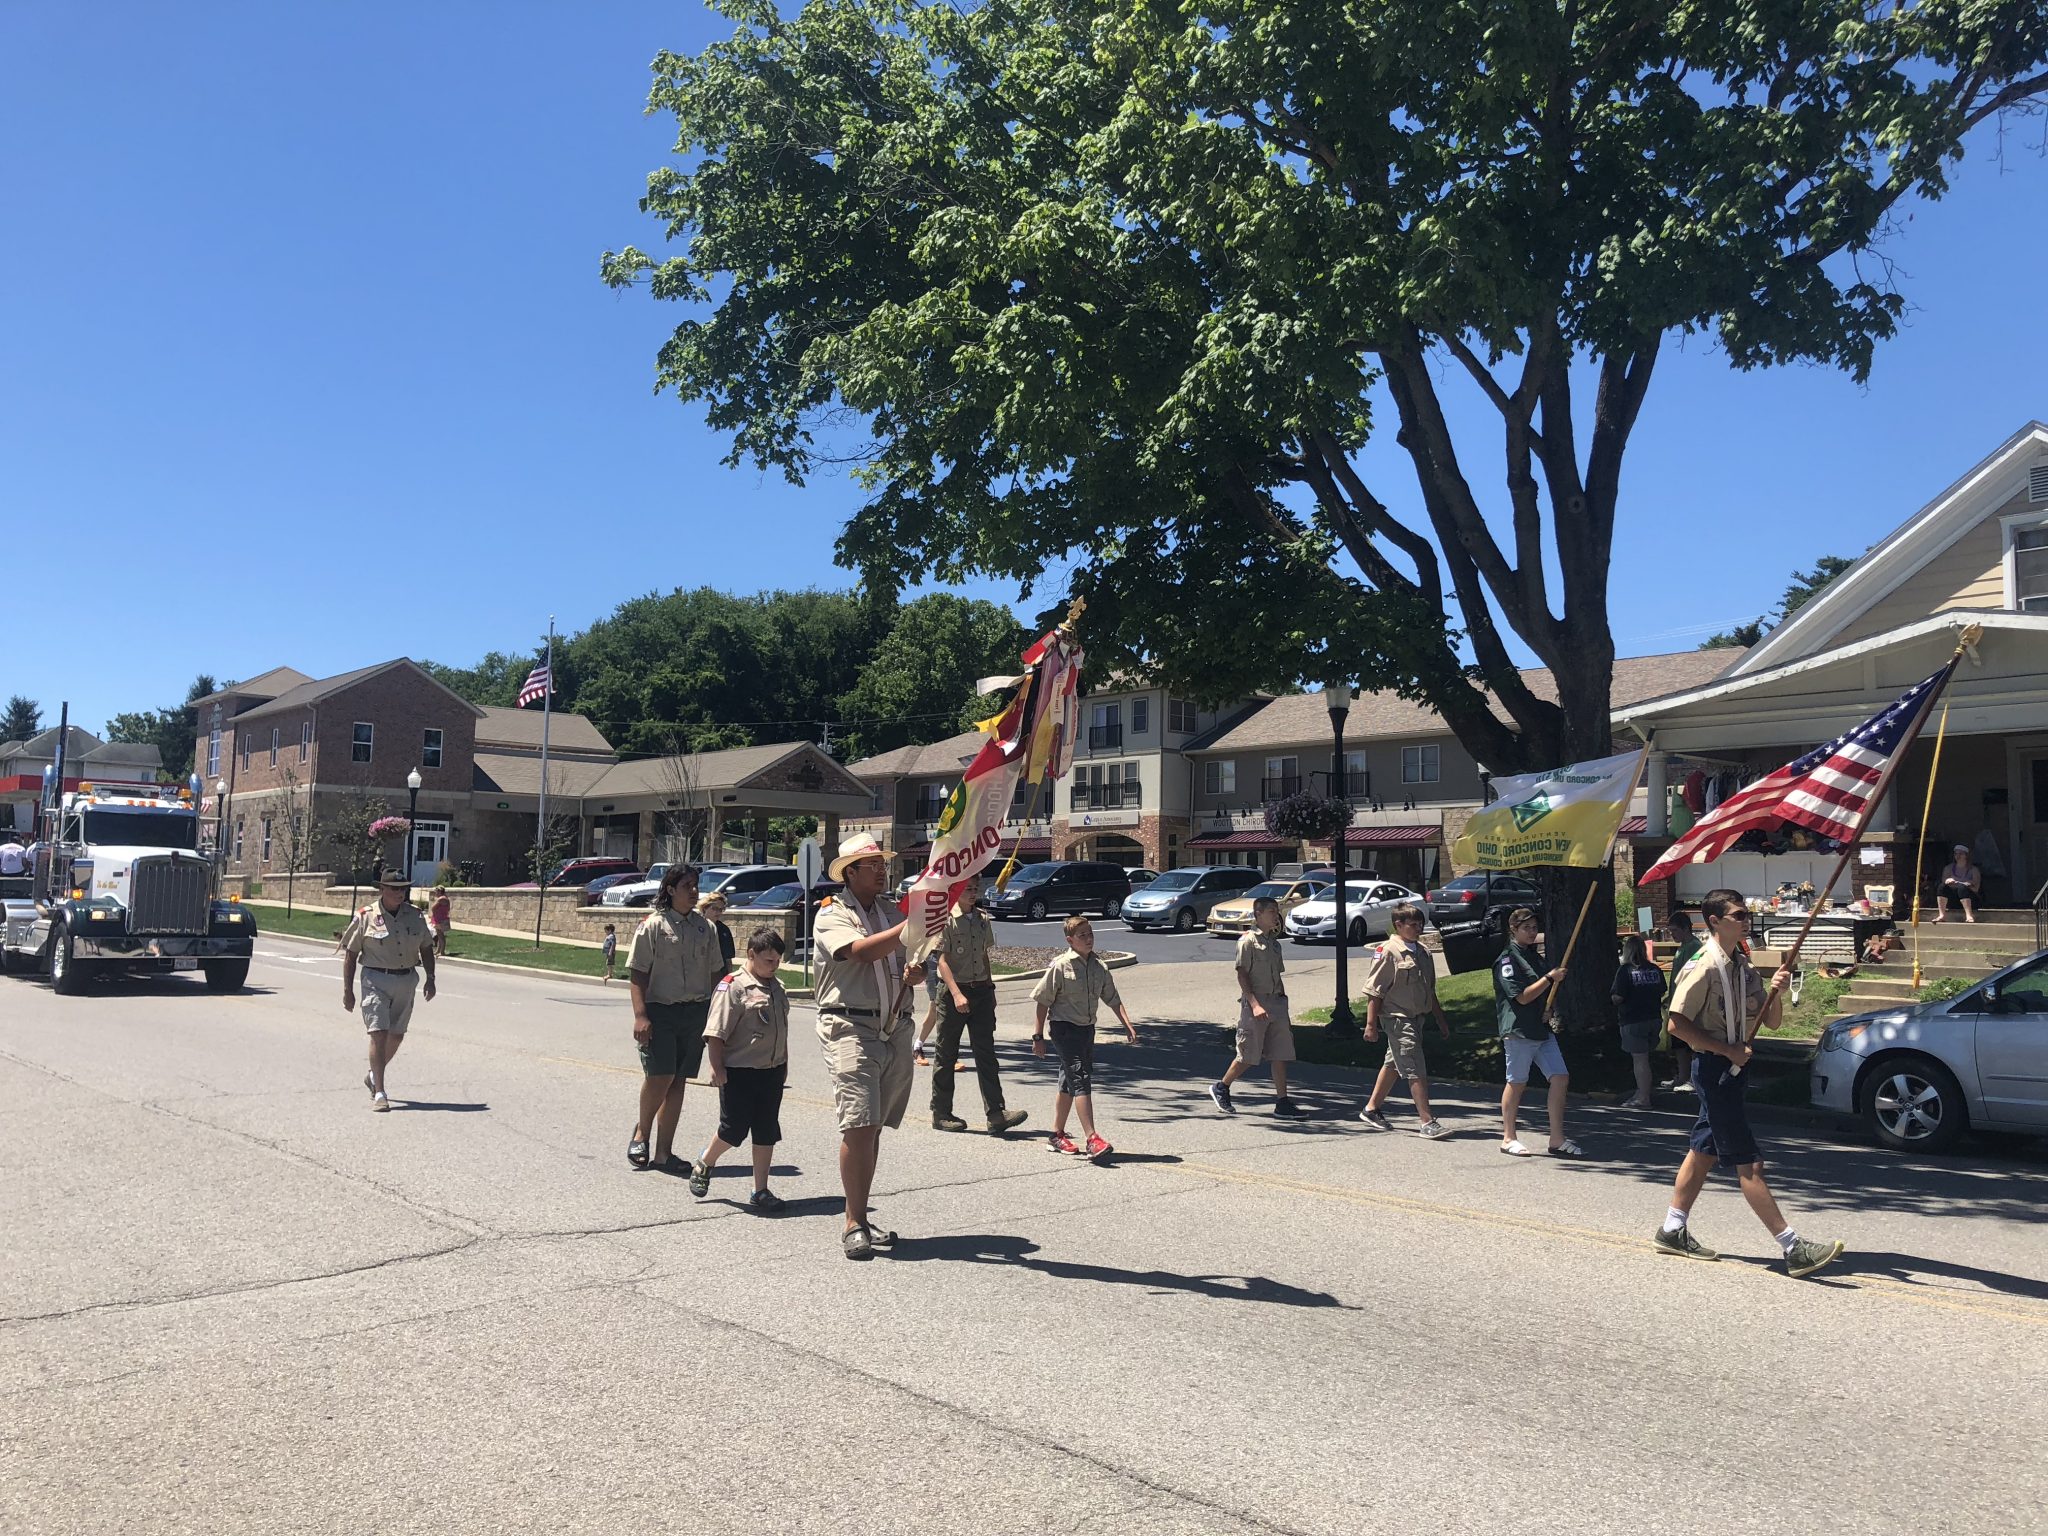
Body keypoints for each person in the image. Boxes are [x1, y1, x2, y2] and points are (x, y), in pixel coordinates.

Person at [1654, 887, 1844, 1278]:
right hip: (1714, 1071)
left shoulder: (1741, 964)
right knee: (1749, 1161)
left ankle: (1672, 1229)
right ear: (1714, 922)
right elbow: (1676, 1024)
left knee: (1704, 1149)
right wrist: (1725, 1051)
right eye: (1738, 915)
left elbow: (1771, 1021)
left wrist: (1776, 987)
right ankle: (1793, 1247)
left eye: (1745, 914)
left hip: (1735, 1069)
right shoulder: (1703, 965)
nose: (1746, 919)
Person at [813, 833, 923, 1259]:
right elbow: (858, 953)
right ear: (850, 873)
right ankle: (853, 1222)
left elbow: (907, 961)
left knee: (873, 1125)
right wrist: (909, 926)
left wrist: (917, 970)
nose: (881, 869)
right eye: (872, 864)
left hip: (894, 1026)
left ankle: (859, 1212)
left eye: (883, 862)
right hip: (850, 1027)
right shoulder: (831, 914)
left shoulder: (889, 913)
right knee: (858, 1123)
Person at [625, 865, 724, 1177]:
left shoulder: (705, 928)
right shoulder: (652, 925)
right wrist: (641, 1016)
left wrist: (720, 1016)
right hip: (661, 1010)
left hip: (694, 1013)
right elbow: (638, 973)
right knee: (659, 1075)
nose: (694, 891)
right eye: (687, 886)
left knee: (678, 1080)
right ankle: (642, 1135)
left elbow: (717, 974)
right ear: (670, 889)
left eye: (696, 885)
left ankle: (664, 1153)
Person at [689, 929, 791, 1212]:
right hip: (738, 1071)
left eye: (777, 960)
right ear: (751, 955)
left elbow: (780, 1031)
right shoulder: (733, 986)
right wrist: (716, 1067)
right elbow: (716, 1033)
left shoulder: (777, 987)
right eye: (768, 960)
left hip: (770, 1070)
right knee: (733, 1130)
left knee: (766, 1130)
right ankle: (706, 1162)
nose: (774, 965)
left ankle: (760, 1190)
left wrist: (784, 1064)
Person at [1032, 916, 1139, 1161]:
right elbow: (1042, 1002)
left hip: (1086, 1030)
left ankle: (1057, 1135)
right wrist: (1037, 1036)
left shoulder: (1099, 967)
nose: (1089, 938)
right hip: (1064, 1029)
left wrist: (1127, 1024)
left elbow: (1112, 997)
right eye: (1082, 935)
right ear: (1070, 940)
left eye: (1090, 933)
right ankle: (1092, 1138)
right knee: (1080, 1078)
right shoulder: (1060, 966)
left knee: (1068, 1080)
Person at [929, 874, 1028, 1135]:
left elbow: (984, 956)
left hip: (981, 991)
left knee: (986, 1054)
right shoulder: (947, 920)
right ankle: (941, 1113)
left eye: (975, 888)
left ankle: (996, 1114)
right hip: (953, 994)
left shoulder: (983, 919)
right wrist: (957, 994)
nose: (973, 893)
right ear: (956, 891)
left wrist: (990, 987)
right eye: (967, 889)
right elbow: (942, 961)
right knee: (946, 1054)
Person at [340, 869, 437, 1112]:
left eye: (403, 888)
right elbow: (350, 954)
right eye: (394, 888)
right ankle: (380, 1092)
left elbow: (426, 947)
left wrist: (431, 978)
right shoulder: (366, 916)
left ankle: (373, 1075)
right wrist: (348, 990)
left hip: (406, 980)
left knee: (397, 1035)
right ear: (382, 889)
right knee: (378, 1032)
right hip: (375, 979)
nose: (399, 893)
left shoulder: (415, 916)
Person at [1358, 904, 1450, 1138]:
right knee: (1414, 1066)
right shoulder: (1388, 951)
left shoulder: (1422, 952)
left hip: (1417, 1017)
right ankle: (1426, 1121)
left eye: (1420, 924)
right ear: (1398, 925)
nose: (1418, 928)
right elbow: (1375, 991)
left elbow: (1430, 989)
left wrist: (1440, 1019)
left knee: (1394, 1064)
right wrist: (1371, 1024)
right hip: (1397, 1018)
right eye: (1413, 924)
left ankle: (1371, 1109)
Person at [1208, 898, 1306, 1118]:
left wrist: (1282, 998)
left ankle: (1282, 1101)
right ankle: (1222, 1087)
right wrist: (1254, 1004)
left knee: (1281, 1053)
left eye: (1277, 911)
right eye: (1272, 911)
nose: (1276, 915)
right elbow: (1242, 974)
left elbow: (1277, 974)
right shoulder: (1247, 941)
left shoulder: (1274, 942)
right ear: (1258, 914)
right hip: (1256, 1002)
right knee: (1249, 1054)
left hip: (1276, 1003)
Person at [1495, 910, 1581, 1157]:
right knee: (1517, 1082)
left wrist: (1549, 1009)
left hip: (1540, 1029)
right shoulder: (1508, 960)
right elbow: (1521, 997)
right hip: (1519, 1030)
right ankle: (1508, 1137)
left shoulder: (1535, 957)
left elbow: (1543, 995)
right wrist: (1549, 978)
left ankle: (1557, 1138)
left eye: (1534, 927)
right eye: (1527, 928)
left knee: (1560, 1077)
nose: (1532, 932)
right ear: (1514, 929)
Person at [1611, 933, 1667, 1109]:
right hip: (1654, 1018)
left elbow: (1618, 997)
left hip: (1633, 1020)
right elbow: (1662, 990)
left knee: (1640, 1060)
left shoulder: (1625, 970)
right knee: (1646, 1057)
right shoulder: (1655, 969)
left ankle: (1643, 1097)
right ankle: (1642, 1091)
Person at [1659, 911, 1702, 1093]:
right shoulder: (1682, 947)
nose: (1672, 935)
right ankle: (1682, 1076)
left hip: (1687, 1003)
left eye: (1675, 930)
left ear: (1685, 929)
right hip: (1676, 1000)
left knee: (1688, 1043)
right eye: (1670, 931)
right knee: (1678, 1043)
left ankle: (1692, 1078)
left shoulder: (1693, 947)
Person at [1935, 843, 1980, 924]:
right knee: (1941, 887)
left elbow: (1976, 887)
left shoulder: (1973, 870)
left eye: (1961, 854)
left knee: (1962, 888)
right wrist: (1948, 881)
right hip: (1954, 898)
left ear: (1966, 855)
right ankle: (1942, 915)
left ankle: (1969, 915)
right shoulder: (1948, 868)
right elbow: (1944, 882)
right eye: (1956, 854)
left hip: (1969, 898)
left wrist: (1964, 884)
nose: (1958, 856)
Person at [700, 893, 738, 967]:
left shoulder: (724, 930)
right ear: (705, 907)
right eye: (714, 908)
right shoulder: (695, 926)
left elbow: (728, 958)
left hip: (720, 972)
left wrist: (728, 976)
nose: (718, 912)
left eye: (721, 909)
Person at [428, 886, 452, 957]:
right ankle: (438, 950)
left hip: (441, 919)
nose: (435, 893)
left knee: (441, 936)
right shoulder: (442, 898)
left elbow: (433, 908)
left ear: (440, 891)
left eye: (436, 891)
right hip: (439, 919)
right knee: (439, 935)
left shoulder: (442, 899)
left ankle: (442, 951)